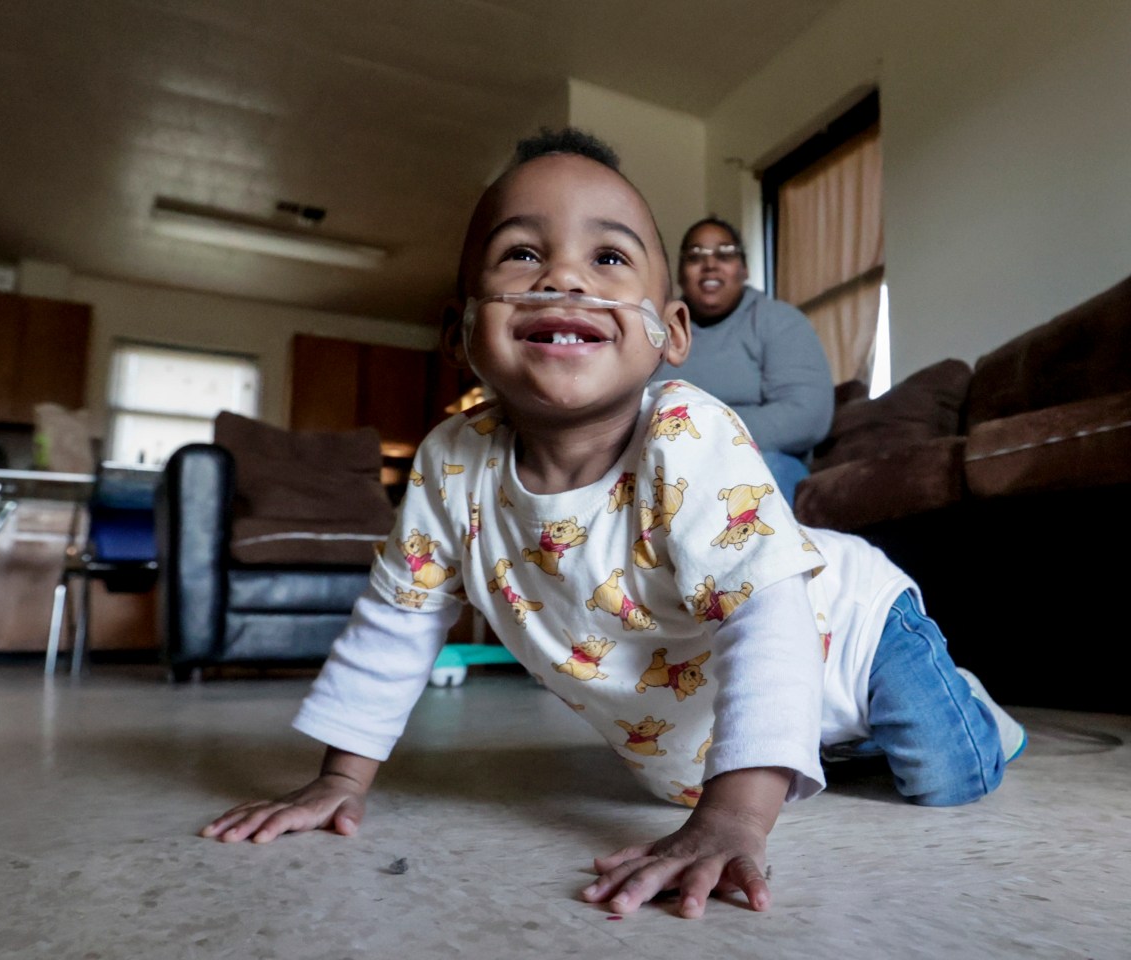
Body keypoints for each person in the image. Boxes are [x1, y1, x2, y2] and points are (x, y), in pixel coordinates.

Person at [201, 129, 1024, 919]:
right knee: (713, 774)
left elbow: (769, 615)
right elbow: (397, 621)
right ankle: (821, 746)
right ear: (461, 334)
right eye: (522, 253)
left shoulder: (686, 434)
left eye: (608, 257)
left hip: (848, 629)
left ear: (669, 334)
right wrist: (340, 780)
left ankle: (970, 710)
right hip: (701, 714)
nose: (565, 276)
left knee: (946, 779)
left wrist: (736, 818)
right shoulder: (452, 465)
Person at [672, 217, 833, 498]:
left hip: (760, 459)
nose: (710, 264)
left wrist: (697, 434)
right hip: (669, 465)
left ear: (743, 269)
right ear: (680, 273)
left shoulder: (778, 321)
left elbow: (806, 417)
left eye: (724, 253)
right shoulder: (657, 332)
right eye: (695, 256)